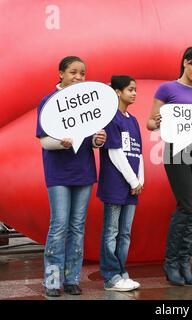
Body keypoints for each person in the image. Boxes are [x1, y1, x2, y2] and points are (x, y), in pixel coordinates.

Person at [36, 56, 106, 297]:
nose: (78, 77)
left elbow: (91, 137)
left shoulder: (89, 103)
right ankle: (52, 281)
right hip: (58, 174)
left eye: (83, 73)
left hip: (84, 172)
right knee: (59, 226)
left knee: (77, 227)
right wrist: (61, 143)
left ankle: (72, 279)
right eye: (73, 72)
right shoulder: (48, 102)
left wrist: (98, 141)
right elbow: (45, 142)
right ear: (61, 73)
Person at [147, 47, 192, 286]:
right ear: (185, 63)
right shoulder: (167, 88)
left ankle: (185, 262)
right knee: (184, 205)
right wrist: (157, 121)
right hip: (176, 151)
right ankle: (171, 262)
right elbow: (150, 123)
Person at [97, 75, 143, 292]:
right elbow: (115, 152)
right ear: (117, 92)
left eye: (135, 89)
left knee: (125, 233)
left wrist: (139, 181)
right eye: (129, 89)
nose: (134, 93)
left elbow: (138, 153)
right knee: (111, 232)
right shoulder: (110, 118)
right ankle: (111, 277)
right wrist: (133, 180)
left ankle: (122, 273)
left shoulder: (133, 120)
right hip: (115, 185)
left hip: (133, 187)